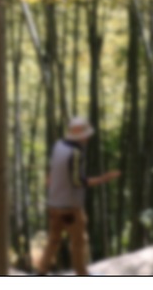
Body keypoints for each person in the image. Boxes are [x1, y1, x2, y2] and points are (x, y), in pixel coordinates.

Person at [35, 117, 120, 276]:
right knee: (79, 242)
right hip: (70, 207)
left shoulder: (58, 145)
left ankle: (42, 271)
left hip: (54, 203)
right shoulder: (75, 153)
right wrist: (104, 178)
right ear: (81, 136)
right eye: (86, 135)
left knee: (53, 240)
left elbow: (51, 173)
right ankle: (82, 274)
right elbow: (77, 181)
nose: (88, 138)